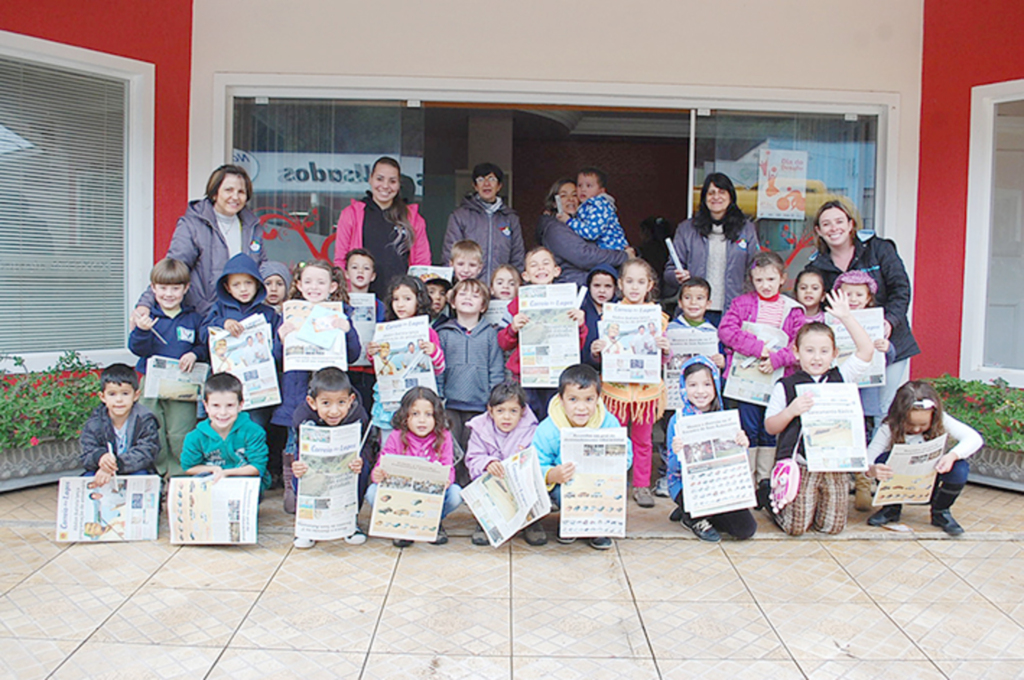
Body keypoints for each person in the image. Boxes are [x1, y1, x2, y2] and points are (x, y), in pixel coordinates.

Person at [763, 290, 874, 536]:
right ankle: (772, 501)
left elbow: (866, 351)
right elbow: (770, 426)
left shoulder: (840, 377)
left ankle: (814, 505)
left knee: (832, 527)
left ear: (834, 354)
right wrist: (791, 411)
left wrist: (846, 317)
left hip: (834, 462)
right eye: (810, 351)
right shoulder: (786, 385)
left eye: (824, 351)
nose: (816, 357)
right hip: (801, 463)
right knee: (796, 528)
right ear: (796, 352)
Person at [804, 199, 920, 420]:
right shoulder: (816, 266)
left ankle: (877, 454)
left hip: (890, 342)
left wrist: (890, 321)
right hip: (847, 351)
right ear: (818, 231)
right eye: (826, 224)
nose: (834, 228)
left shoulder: (879, 249)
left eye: (839, 221)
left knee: (884, 408)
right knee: (849, 408)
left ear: (850, 224)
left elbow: (901, 288)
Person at [273, 260, 361, 514]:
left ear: (332, 286)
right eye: (308, 281)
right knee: (295, 441)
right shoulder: (287, 315)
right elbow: (278, 358)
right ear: (298, 285)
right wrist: (281, 338)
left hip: (331, 395)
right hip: (298, 393)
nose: (314, 287)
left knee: (331, 443)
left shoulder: (340, 314)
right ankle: (292, 485)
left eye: (321, 282)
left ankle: (333, 490)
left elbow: (353, 355)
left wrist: (347, 330)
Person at [718, 250, 804, 496]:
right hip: (747, 381)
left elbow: (799, 344)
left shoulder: (792, 309)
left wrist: (777, 359)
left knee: (771, 426)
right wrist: (758, 349)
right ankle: (746, 478)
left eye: (771, 279)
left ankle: (765, 481)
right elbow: (726, 331)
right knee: (748, 426)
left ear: (782, 279)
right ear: (751, 280)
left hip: (778, 379)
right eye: (759, 280)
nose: (765, 285)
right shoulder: (742, 303)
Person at [589, 258, 670, 508]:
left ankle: (641, 485)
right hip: (616, 391)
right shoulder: (610, 316)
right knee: (613, 438)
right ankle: (612, 482)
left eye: (641, 282)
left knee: (644, 441)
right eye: (630, 281)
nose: (635, 287)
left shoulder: (659, 318)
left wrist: (665, 350)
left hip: (645, 393)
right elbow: (602, 353)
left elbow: (662, 359)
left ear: (650, 285)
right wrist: (596, 350)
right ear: (621, 285)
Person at [135, 165, 265, 319]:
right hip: (204, 315)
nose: (235, 197)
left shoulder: (252, 226)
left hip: (244, 315)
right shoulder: (192, 224)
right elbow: (176, 266)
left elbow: (261, 266)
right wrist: (145, 303)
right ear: (215, 193)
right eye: (228, 190)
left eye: (241, 192)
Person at [532, 364, 633, 550]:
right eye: (572, 399)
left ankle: (598, 528)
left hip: (599, 483)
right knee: (560, 490)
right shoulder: (549, 428)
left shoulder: (608, 422)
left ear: (598, 399)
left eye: (588, 399)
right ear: (561, 400)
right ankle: (571, 521)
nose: (581, 407)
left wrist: (616, 464)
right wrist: (552, 474)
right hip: (566, 485)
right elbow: (537, 461)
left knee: (616, 485)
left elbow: (625, 453)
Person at [864, 381, 983, 535]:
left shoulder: (943, 420)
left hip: (931, 477)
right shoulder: (888, 427)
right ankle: (891, 508)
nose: (916, 429)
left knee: (960, 468)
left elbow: (974, 438)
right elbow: (869, 456)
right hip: (901, 479)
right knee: (883, 459)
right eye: (910, 424)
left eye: (923, 424)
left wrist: (952, 456)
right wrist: (872, 469)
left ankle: (941, 511)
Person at [666, 357, 757, 541]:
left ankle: (699, 513)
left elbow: (738, 462)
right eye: (692, 385)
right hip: (687, 485)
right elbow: (673, 468)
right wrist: (677, 453)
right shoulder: (678, 419)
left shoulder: (725, 418)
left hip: (719, 485)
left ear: (716, 385)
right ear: (683, 387)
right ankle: (692, 517)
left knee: (745, 529)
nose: (700, 391)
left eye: (707, 384)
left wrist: (743, 445)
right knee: (695, 503)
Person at [129, 258, 205, 479]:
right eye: (162, 288)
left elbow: (203, 346)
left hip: (183, 383)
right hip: (150, 384)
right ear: (153, 288)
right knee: (154, 429)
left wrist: (194, 354)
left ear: (186, 288)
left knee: (181, 430)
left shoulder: (193, 318)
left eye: (175, 288)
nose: (168, 294)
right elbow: (135, 348)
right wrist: (142, 331)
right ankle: (161, 473)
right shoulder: (147, 318)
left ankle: (180, 475)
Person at [497, 247, 587, 420]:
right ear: (526, 276)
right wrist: (512, 329)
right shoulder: (516, 304)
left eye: (546, 264)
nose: (540, 268)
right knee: (526, 420)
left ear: (556, 271)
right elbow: (503, 342)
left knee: (556, 419)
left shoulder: (569, 302)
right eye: (534, 265)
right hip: (525, 376)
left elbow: (579, 345)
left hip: (558, 374)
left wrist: (580, 325)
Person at [832, 269, 896, 511]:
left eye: (859, 294)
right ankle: (840, 482)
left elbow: (890, 358)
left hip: (867, 393)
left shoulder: (876, 322)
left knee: (864, 436)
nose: (853, 299)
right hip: (841, 392)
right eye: (847, 294)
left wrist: (886, 347)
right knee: (841, 435)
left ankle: (862, 483)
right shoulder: (833, 321)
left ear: (869, 297)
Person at [366, 387, 462, 548]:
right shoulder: (397, 435)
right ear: (405, 416)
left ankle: (434, 522)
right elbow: (381, 466)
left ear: (437, 416)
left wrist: (446, 480)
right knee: (372, 492)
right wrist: (378, 474)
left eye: (428, 414)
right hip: (401, 499)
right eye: (415, 414)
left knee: (455, 494)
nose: (422, 420)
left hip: (430, 498)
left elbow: (448, 466)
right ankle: (400, 525)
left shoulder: (443, 436)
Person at [290, 368, 372, 548]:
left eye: (341, 402)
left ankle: (350, 522)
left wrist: (361, 460)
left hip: (345, 464)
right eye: (326, 403)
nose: (334, 411)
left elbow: (366, 445)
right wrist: (298, 464)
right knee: (301, 474)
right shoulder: (302, 417)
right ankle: (308, 526)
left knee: (360, 471)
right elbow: (299, 447)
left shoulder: (358, 415)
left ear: (350, 400)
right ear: (312, 402)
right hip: (315, 463)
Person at [663, 173, 760, 325]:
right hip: (694, 311)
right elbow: (669, 272)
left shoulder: (746, 229)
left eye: (722, 192)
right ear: (704, 197)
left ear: (731, 197)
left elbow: (755, 269)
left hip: (734, 312)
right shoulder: (687, 229)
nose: (716, 197)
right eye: (711, 193)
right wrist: (677, 277)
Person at [333, 156, 431, 296]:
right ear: (370, 179)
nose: (385, 186)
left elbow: (422, 264)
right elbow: (340, 260)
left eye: (392, 181)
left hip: (400, 300)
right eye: (380, 179)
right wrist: (346, 294)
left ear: (398, 185)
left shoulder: (413, 219)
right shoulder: (351, 214)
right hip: (361, 298)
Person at [436, 278, 505, 474]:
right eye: (463, 294)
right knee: (451, 447)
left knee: (475, 448)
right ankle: (453, 487)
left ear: (483, 306)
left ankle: (471, 488)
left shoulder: (490, 335)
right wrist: (439, 398)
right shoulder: (444, 334)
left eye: (475, 295)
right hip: (450, 403)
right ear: (453, 301)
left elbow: (496, 370)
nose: (468, 298)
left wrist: (494, 401)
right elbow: (439, 369)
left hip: (480, 404)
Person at [365, 276, 446, 443]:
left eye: (407, 299)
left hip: (418, 400)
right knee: (389, 443)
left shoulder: (428, 332)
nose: (400, 304)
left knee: (417, 443)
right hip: (391, 398)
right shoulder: (385, 330)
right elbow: (380, 368)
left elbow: (439, 369)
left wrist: (433, 352)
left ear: (420, 300)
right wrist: (372, 354)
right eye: (395, 299)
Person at [465, 382, 542, 545]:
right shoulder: (480, 429)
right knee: (482, 484)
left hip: (520, 484)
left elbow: (537, 458)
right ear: (490, 411)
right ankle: (485, 523)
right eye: (500, 411)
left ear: (522, 412)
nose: (506, 417)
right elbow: (473, 458)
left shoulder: (531, 430)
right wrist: (487, 463)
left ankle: (532, 522)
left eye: (513, 411)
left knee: (535, 481)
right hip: (493, 483)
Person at [181, 372, 271, 490]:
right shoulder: (195, 437)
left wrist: (227, 473)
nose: (223, 412)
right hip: (211, 480)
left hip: (243, 481)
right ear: (206, 406)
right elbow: (188, 467)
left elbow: (257, 466)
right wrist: (214, 470)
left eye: (229, 405)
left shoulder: (253, 432)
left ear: (240, 405)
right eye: (216, 406)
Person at [536, 178, 629, 286]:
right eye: (564, 195)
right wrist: (624, 256)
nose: (570, 199)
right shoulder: (555, 228)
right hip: (574, 288)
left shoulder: (581, 224)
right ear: (554, 203)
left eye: (574, 195)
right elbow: (584, 256)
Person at [442, 162, 525, 284]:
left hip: (501, 289)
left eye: (492, 179)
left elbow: (517, 257)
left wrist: (513, 285)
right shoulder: (460, 216)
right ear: (475, 186)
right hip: (469, 290)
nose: (486, 184)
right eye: (481, 179)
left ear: (499, 185)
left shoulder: (510, 218)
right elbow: (450, 255)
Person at [80, 364, 160, 486]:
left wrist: (116, 464)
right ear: (102, 397)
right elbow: (86, 452)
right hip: (102, 469)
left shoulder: (145, 419)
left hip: (134, 468)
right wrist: (100, 457)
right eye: (112, 394)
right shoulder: (95, 422)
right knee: (89, 479)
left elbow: (147, 451)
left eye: (125, 393)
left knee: (142, 478)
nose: (119, 400)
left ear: (136, 395)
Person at [562, 167, 629, 251]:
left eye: (589, 186)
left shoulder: (599, 206)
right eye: (579, 185)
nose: (583, 189)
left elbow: (591, 233)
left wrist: (569, 221)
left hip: (612, 249)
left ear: (601, 191)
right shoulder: (586, 206)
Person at [670, 277, 725, 370]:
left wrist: (722, 362)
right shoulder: (670, 329)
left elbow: (721, 357)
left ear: (708, 304)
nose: (693, 302)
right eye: (687, 297)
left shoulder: (714, 333)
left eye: (700, 298)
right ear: (680, 302)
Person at [581, 264, 619, 369]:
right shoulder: (581, 312)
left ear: (615, 288)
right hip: (585, 369)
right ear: (589, 286)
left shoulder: (621, 312)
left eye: (608, 286)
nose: (602, 290)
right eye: (597, 285)